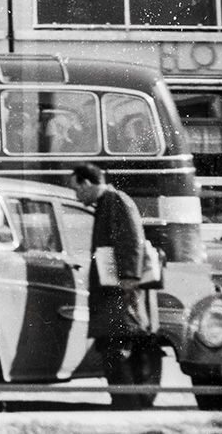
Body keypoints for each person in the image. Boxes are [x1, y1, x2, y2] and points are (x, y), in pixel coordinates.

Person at [70, 163, 161, 409]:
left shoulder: (116, 201)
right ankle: (130, 400)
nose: (76, 196)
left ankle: (126, 403)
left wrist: (129, 278)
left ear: (87, 183)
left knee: (115, 344)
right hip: (116, 289)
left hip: (119, 291)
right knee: (115, 344)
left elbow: (131, 241)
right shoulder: (110, 202)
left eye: (76, 189)